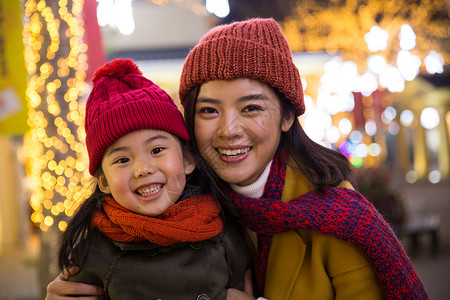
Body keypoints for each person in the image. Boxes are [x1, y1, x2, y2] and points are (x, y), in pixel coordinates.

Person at [46, 19, 428, 300]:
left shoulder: (338, 221)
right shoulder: (174, 210)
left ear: (286, 115)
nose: (228, 129)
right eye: (209, 111)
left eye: (251, 108)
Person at [54, 58, 252, 299]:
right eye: (122, 160)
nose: (142, 169)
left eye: (157, 150)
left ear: (188, 160)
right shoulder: (93, 248)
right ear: (104, 181)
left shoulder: (219, 225)